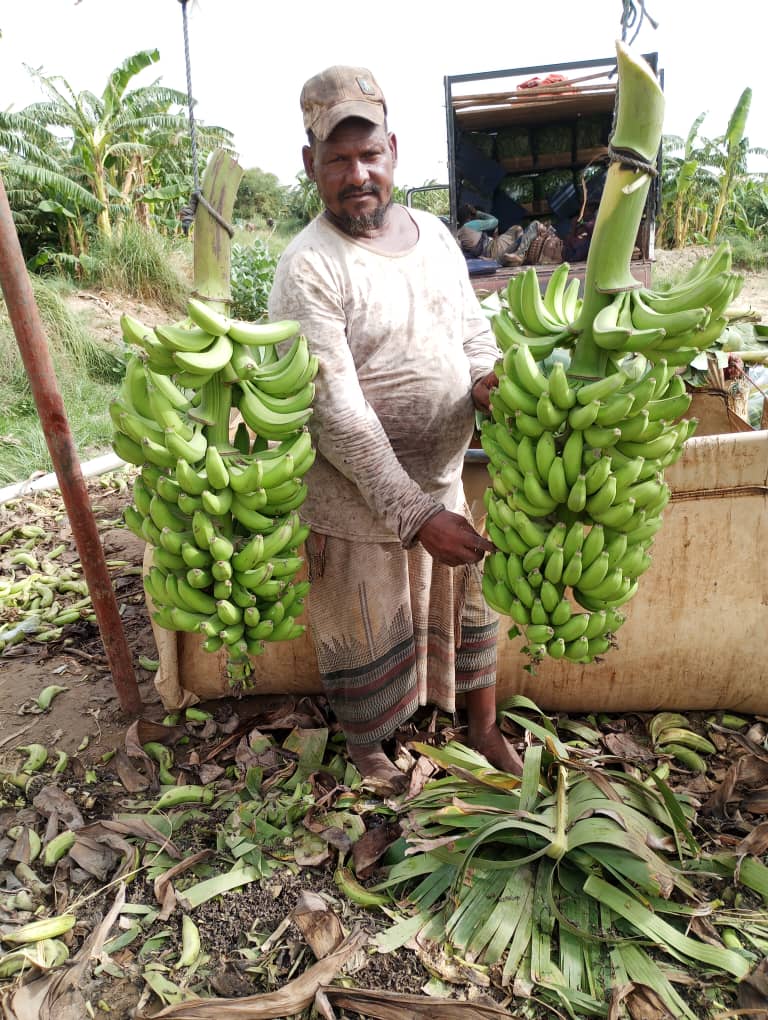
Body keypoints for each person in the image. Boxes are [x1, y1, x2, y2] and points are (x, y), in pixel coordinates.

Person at [268, 65, 523, 792]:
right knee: (362, 625)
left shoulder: (437, 235)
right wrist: (412, 514)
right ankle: (368, 743)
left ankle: (481, 724)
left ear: (395, 151)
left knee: (471, 613)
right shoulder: (308, 264)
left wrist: (487, 381)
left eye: (369, 153)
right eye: (338, 159)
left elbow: (472, 331)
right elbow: (335, 408)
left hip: (443, 479)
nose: (358, 174)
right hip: (356, 499)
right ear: (310, 164)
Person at [457, 203, 541, 265]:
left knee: (517, 228)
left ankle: (518, 255)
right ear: (470, 218)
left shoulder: (460, 233)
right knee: (534, 224)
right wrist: (477, 213)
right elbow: (495, 221)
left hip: (497, 255)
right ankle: (519, 255)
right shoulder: (469, 226)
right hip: (496, 252)